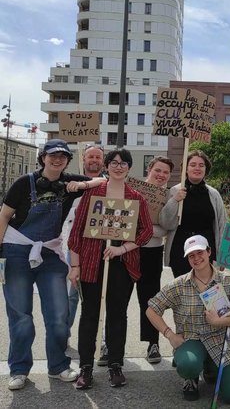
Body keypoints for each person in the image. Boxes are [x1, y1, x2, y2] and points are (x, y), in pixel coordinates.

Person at [0, 139, 91, 390]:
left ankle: (58, 366)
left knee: (59, 315)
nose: (57, 159)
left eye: (63, 156)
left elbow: (102, 181)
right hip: (16, 250)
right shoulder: (22, 183)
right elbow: (4, 216)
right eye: (52, 155)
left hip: (50, 253)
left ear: (68, 161)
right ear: (42, 158)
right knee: (20, 316)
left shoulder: (69, 182)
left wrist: (82, 184)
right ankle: (18, 369)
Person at [68, 149, 153, 389]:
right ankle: (86, 367)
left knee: (117, 315)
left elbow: (145, 231)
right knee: (89, 315)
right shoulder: (93, 193)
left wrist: (123, 248)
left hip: (121, 265)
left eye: (123, 163)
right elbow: (76, 233)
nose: (118, 166)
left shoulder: (136, 197)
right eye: (113, 162)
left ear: (129, 167)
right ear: (107, 166)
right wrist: (75, 265)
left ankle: (116, 365)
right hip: (92, 262)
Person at [146, 235, 230, 403]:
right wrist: (170, 335)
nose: (196, 258)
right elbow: (151, 310)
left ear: (209, 252)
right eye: (191, 255)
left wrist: (219, 322)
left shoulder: (229, 282)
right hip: (191, 341)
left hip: (219, 341)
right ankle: (191, 377)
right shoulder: (178, 285)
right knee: (188, 365)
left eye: (200, 252)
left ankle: (210, 368)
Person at [160, 150, 227, 279]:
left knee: (206, 290)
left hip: (207, 251)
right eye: (193, 164)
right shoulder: (175, 190)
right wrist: (175, 200)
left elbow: (222, 224)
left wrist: (222, 256)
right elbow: (165, 223)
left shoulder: (213, 194)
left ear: (206, 169)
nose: (197, 168)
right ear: (186, 168)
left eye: (201, 165)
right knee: (184, 291)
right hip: (181, 251)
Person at [62, 143, 105, 341]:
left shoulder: (109, 184)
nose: (94, 160)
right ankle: (64, 335)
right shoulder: (71, 186)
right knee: (71, 295)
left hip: (102, 249)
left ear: (103, 161)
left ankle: (102, 341)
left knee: (102, 296)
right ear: (83, 160)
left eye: (98, 157)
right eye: (91, 157)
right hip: (76, 248)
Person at [136, 156, 174, 364]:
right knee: (118, 300)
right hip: (127, 252)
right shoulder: (133, 190)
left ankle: (153, 343)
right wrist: (150, 230)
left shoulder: (168, 196)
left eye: (165, 173)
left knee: (150, 300)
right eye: (157, 170)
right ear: (149, 169)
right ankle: (111, 345)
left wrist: (143, 230)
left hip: (152, 253)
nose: (161, 175)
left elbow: (166, 228)